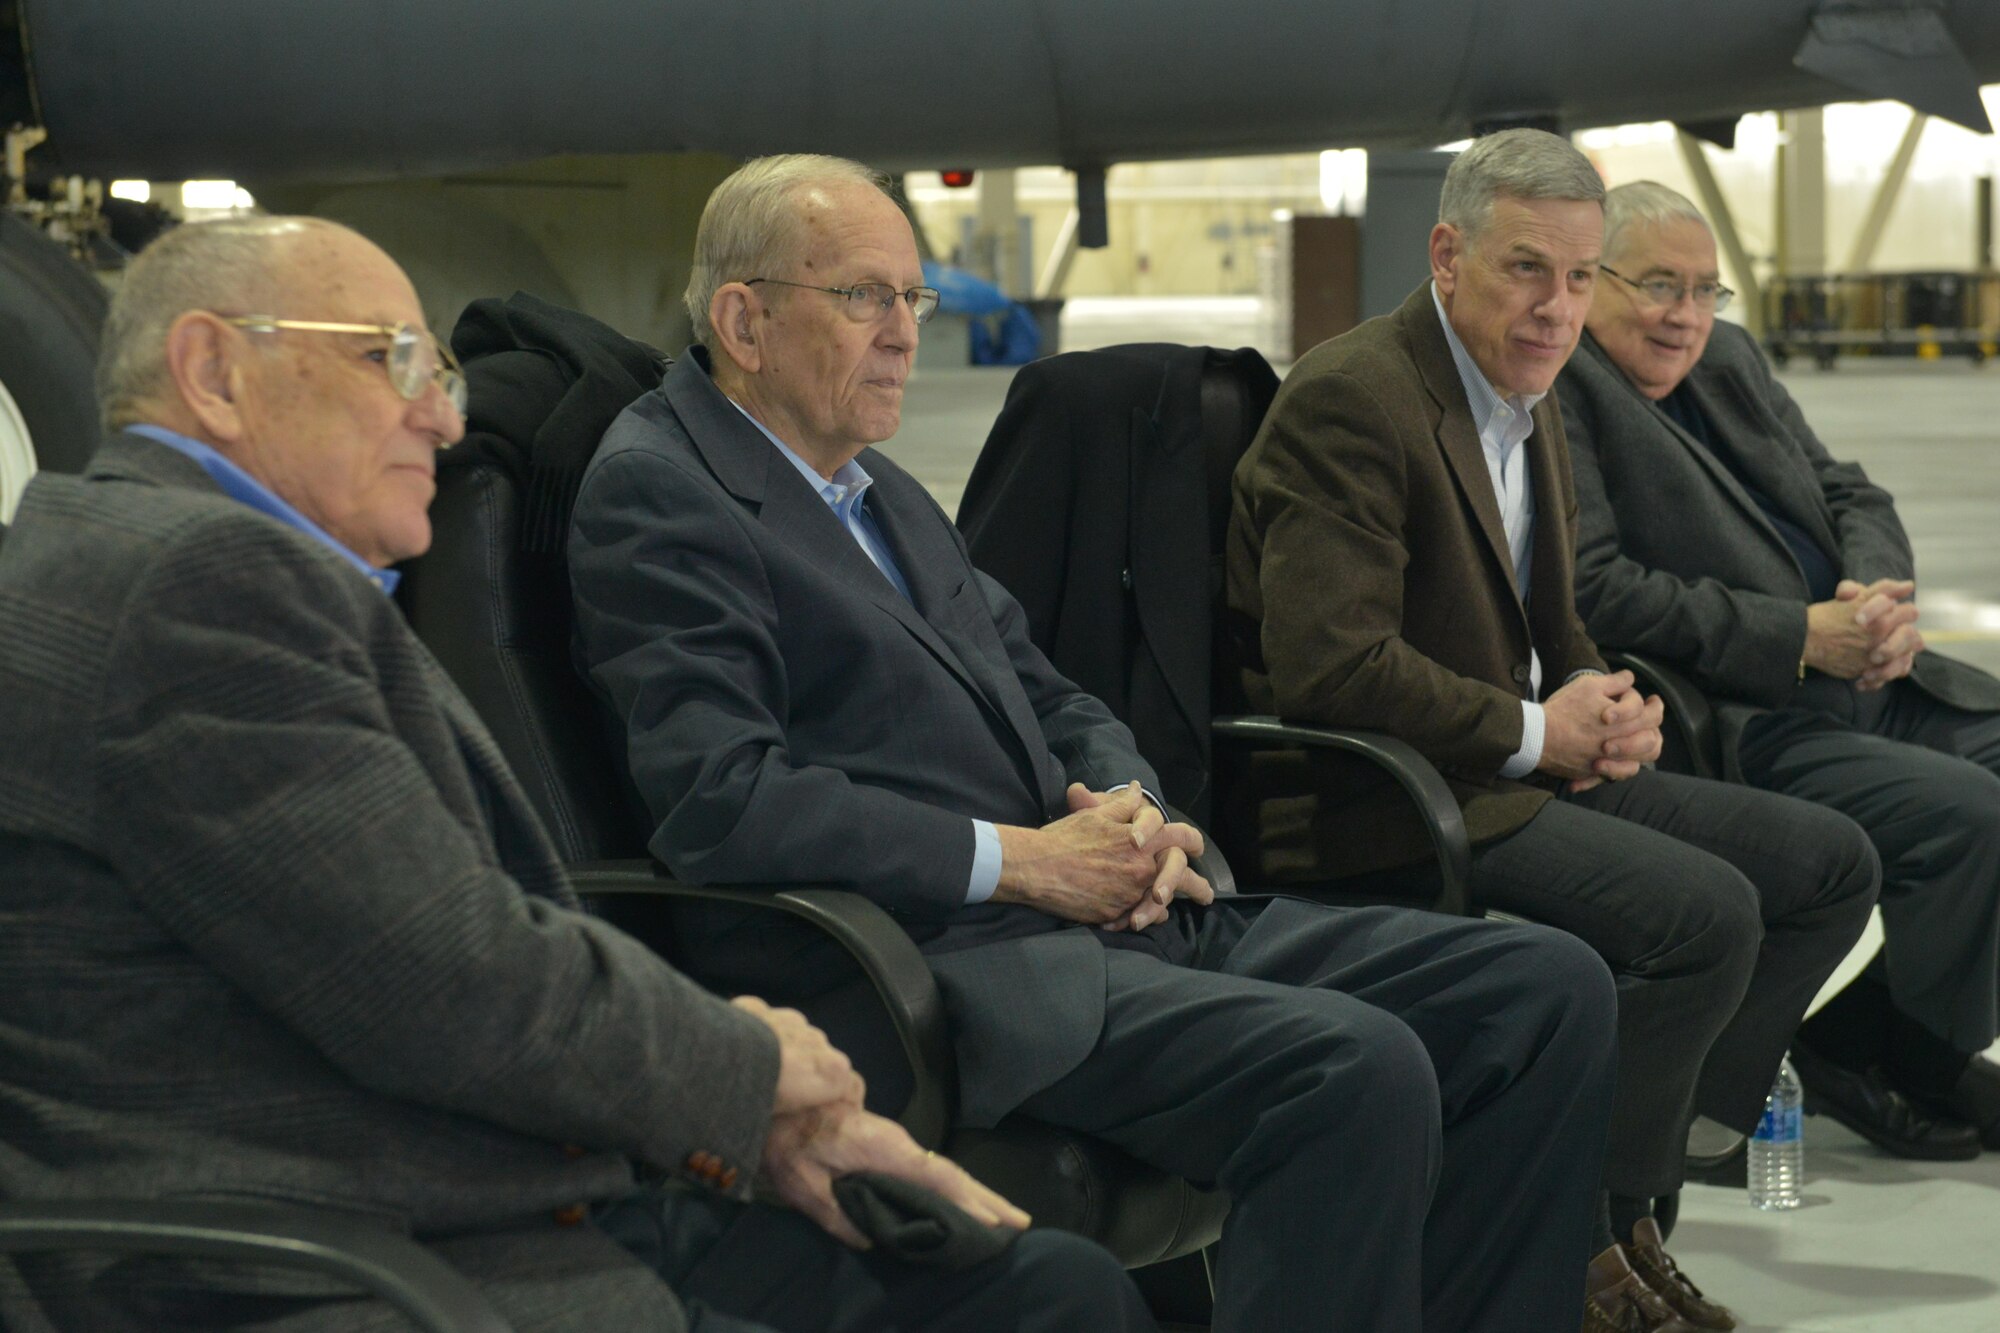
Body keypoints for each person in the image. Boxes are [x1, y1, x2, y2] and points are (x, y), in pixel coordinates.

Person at [0, 214, 1156, 1333]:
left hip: (453, 1197)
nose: (443, 422)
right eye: (389, 361)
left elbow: (391, 952)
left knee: (1043, 1289)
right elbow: (447, 980)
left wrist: (750, 1108)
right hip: (351, 1259)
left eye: (439, 373)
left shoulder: (127, 554)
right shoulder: (204, 585)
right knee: (1040, 1297)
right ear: (212, 370)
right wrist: (752, 1075)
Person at [568, 153, 1621, 1333]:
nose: (906, 334)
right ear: (742, 319)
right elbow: (723, 800)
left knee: (1543, 990)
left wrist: (1134, 810)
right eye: (866, 298)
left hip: (1107, 916)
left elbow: (1051, 690)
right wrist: (1020, 861)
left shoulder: (874, 491)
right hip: (947, 965)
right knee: (1355, 1068)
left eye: (912, 300)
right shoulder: (662, 495)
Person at [1225, 129, 1881, 1332]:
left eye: (1580, 278)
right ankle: (1590, 1234)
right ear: (1445, 253)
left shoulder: (1529, 396)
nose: (1557, 307)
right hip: (1399, 784)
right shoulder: (1355, 396)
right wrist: (1537, 728)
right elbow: (1331, 668)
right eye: (1528, 269)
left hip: (1516, 755)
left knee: (1824, 865)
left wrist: (1603, 696)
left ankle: (1626, 1183)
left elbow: (1550, 617)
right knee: (1703, 918)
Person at [1558, 178, 2000, 1159]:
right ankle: (1913, 1058)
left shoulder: (1730, 358)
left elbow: (1849, 486)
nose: (1684, 315)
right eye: (1659, 286)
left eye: (1704, 291)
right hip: (1752, 711)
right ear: (1591, 283)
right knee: (1967, 817)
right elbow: (1598, 589)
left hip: (1866, 675)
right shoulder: (1566, 390)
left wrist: (1870, 596)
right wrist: (1794, 636)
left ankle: (1871, 1044)